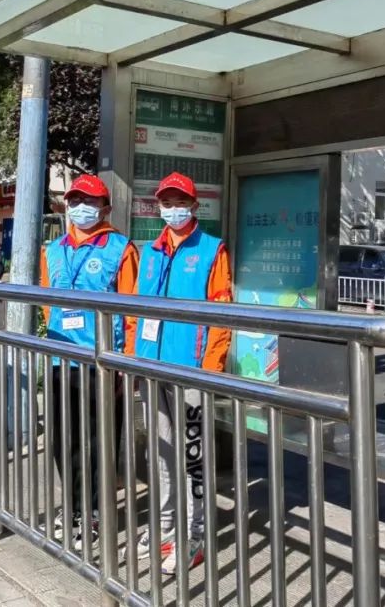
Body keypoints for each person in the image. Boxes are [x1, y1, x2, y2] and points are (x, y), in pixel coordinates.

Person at [129, 171, 232, 573]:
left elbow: (222, 313)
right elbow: (136, 310)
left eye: (180, 202)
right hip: (152, 366)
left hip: (190, 371)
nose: (172, 209)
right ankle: (166, 528)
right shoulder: (151, 252)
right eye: (166, 202)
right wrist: (134, 360)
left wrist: (209, 369)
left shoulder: (211, 249)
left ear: (194, 206)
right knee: (160, 453)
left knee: (192, 457)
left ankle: (196, 536)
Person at [40, 174, 139, 550]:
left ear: (106, 208)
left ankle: (95, 513)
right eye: (76, 200)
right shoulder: (53, 250)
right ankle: (74, 506)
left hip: (101, 362)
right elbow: (48, 301)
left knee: (98, 442)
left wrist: (126, 361)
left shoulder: (120, 248)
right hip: (60, 357)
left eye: (91, 201)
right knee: (62, 439)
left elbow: (132, 309)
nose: (82, 208)